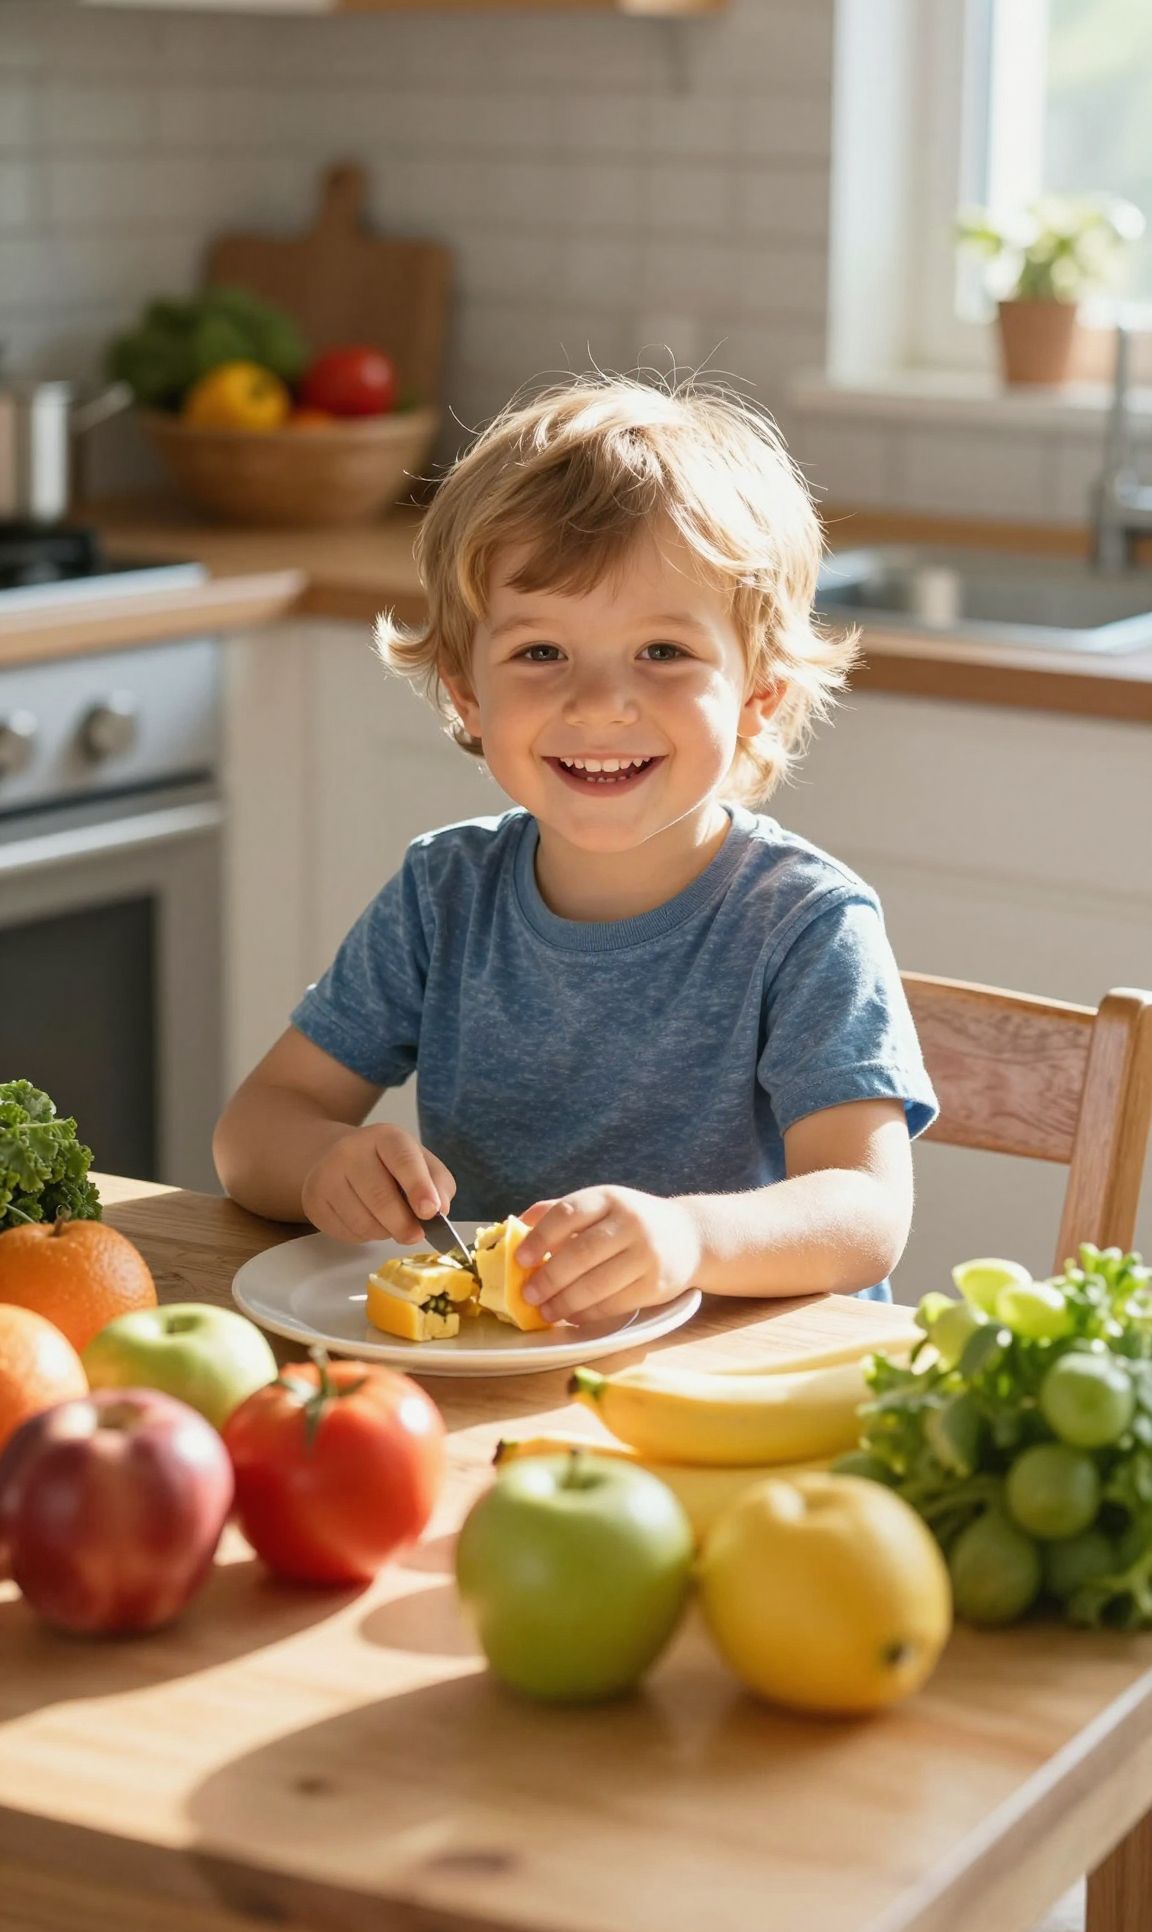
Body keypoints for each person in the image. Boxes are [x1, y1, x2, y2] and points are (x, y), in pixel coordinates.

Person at [213, 374, 937, 1317]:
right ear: (466, 692)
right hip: (508, 1379)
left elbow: (865, 1213)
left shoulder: (802, 922)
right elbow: (252, 1132)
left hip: (729, 1383)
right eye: (541, 654)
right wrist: (324, 1164)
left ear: (761, 693)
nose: (598, 703)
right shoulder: (444, 893)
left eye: (663, 653)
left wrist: (689, 1239)